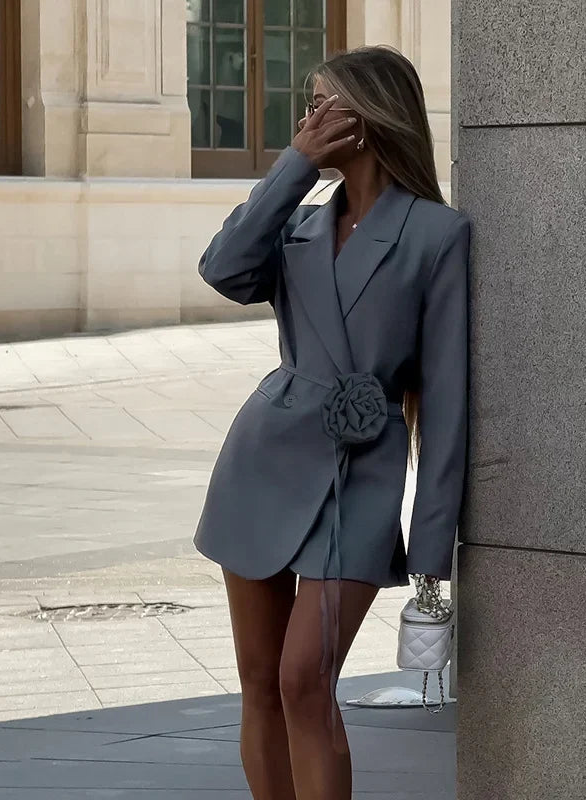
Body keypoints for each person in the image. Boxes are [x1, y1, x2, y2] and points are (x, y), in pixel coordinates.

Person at [193, 45, 469, 800]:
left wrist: (434, 544)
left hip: (363, 474)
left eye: (323, 105)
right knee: (259, 685)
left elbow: (445, 401)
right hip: (263, 461)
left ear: (371, 114)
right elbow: (222, 270)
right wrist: (294, 167)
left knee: (304, 680)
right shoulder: (296, 225)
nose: (308, 120)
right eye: (307, 109)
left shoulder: (438, 235)